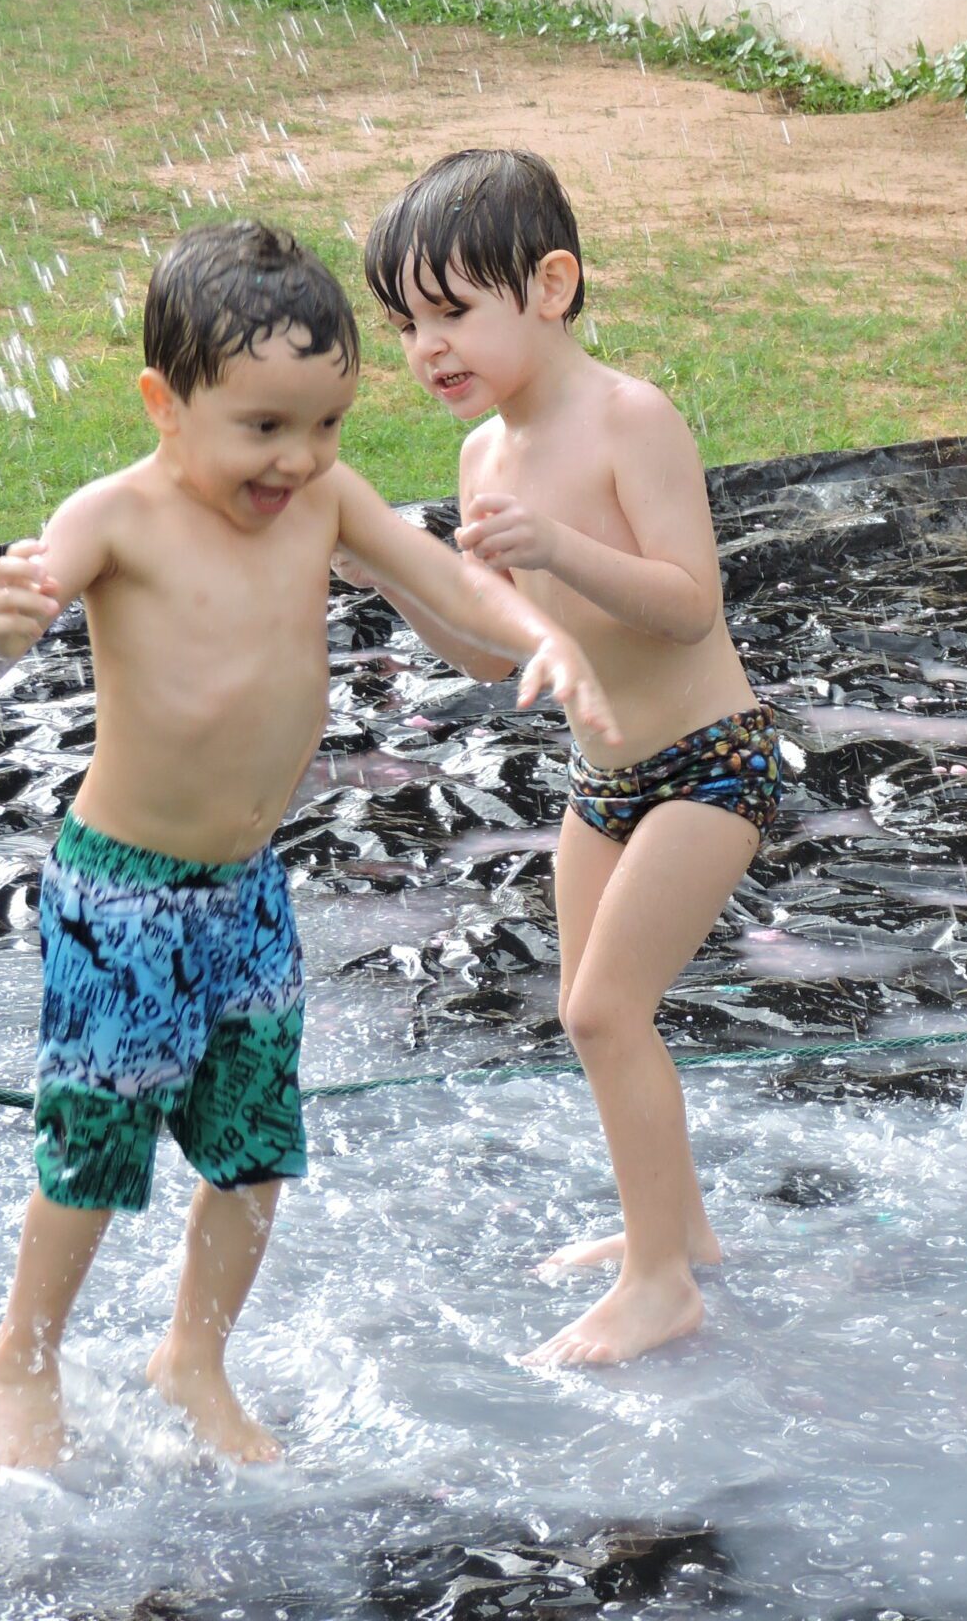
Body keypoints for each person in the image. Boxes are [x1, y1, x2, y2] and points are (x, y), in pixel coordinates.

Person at [0, 220, 617, 1470]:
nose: (300, 459)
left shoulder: (324, 501)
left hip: (247, 887)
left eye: (327, 425)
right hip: (125, 889)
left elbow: (449, 581)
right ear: (166, 404)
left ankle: (192, 1355)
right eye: (263, 428)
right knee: (98, 1135)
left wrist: (546, 636)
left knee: (255, 1144)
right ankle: (21, 1352)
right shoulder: (116, 519)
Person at [360, 149, 779, 1365]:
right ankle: (675, 1232)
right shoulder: (482, 460)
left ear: (549, 285)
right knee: (591, 1015)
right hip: (605, 782)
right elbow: (496, 659)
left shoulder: (626, 418)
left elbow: (688, 603)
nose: (426, 348)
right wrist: (396, 578)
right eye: (403, 324)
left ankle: (660, 1288)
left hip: (711, 762)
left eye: (451, 312)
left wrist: (558, 543)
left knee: (606, 1009)